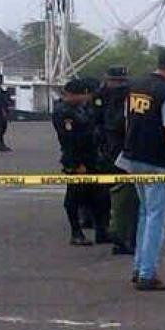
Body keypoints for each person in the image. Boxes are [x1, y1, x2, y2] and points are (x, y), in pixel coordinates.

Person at [115, 48, 165, 291]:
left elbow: (127, 120)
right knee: (157, 218)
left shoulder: (135, 86)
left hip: (132, 155)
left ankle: (139, 267)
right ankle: (147, 273)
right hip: (157, 160)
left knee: (145, 214)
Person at [52, 79, 111, 245]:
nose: (87, 97)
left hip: (91, 157)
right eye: (84, 94)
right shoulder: (64, 112)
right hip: (76, 159)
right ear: (73, 95)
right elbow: (69, 140)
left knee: (99, 195)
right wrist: (76, 164)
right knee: (75, 196)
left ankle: (102, 230)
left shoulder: (81, 108)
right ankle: (76, 232)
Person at [96, 65, 136, 255]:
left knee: (110, 193)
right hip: (122, 150)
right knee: (125, 196)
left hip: (107, 149)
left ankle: (106, 230)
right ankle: (121, 236)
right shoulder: (128, 97)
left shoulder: (102, 95)